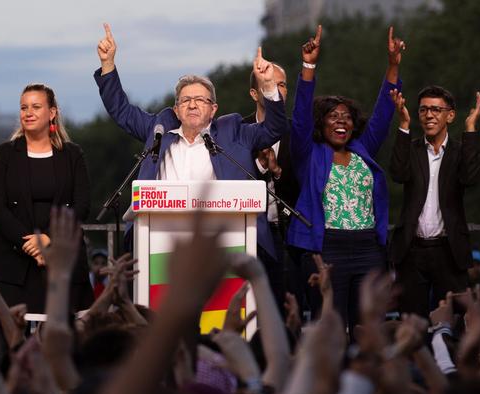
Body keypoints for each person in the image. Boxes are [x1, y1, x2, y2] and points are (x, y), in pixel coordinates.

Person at [94, 23, 287, 261]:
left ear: (213, 109)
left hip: (225, 241)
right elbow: (121, 110)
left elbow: (275, 128)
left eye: (200, 100)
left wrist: (268, 87)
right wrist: (108, 65)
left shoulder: (234, 131)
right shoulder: (159, 130)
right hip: (160, 241)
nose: (192, 105)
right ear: (176, 109)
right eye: (185, 100)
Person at [287, 25, 404, 333]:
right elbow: (299, 118)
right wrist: (309, 66)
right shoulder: (308, 154)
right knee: (332, 326)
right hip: (326, 248)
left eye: (347, 117)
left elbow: (383, 114)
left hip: (368, 247)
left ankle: (368, 381)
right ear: (321, 123)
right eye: (333, 116)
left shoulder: (363, 149)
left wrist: (393, 65)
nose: (341, 121)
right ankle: (331, 380)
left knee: (370, 327)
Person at [0, 83, 94, 313]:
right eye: (23, 107)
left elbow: (82, 205)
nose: (28, 113)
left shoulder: (73, 155)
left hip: (60, 258)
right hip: (11, 260)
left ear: (52, 113)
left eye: (35, 107)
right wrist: (31, 245)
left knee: (63, 341)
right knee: (8, 340)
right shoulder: (5, 154)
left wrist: (48, 239)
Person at [389, 86, 480, 318]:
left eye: (436, 110)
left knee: (454, 322)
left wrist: (470, 129)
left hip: (449, 251)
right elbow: (398, 174)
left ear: (450, 115)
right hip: (412, 250)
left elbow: (470, 178)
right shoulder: (410, 149)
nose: (429, 115)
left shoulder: (461, 151)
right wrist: (403, 125)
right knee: (411, 323)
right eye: (423, 110)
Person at [243, 63, 301, 315]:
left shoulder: (297, 131)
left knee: (290, 310)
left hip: (290, 238)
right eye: (268, 85)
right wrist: (259, 167)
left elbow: (305, 182)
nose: (276, 91)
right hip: (250, 234)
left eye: (281, 85)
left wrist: (277, 172)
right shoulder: (239, 132)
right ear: (255, 94)